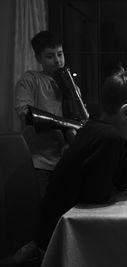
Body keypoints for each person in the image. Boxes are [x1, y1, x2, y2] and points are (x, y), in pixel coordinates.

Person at [2, 70, 127, 265]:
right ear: (125, 112)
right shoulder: (109, 138)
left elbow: (119, 182)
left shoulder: (95, 129)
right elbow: (96, 196)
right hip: (60, 236)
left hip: (49, 227)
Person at [14, 30, 79, 198]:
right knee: (45, 212)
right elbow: (24, 112)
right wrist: (65, 125)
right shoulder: (30, 79)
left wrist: (70, 138)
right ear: (38, 58)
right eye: (50, 56)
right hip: (40, 162)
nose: (57, 61)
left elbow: (78, 119)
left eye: (60, 54)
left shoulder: (70, 83)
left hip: (66, 161)